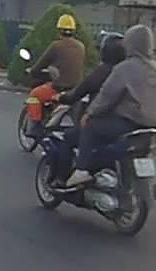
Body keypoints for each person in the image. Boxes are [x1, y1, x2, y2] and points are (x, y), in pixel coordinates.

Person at [64, 24, 156, 188]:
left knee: (90, 126)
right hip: (151, 128)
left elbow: (107, 96)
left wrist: (90, 113)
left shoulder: (125, 68)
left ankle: (81, 170)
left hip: (130, 124)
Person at [51, 33, 126, 183]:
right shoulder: (130, 71)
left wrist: (61, 97)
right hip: (128, 127)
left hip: (104, 124)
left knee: (67, 138)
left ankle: (63, 179)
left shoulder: (103, 72)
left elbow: (79, 92)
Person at [24, 14, 86, 137]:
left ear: (59, 30)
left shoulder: (56, 46)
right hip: (76, 89)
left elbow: (42, 63)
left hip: (59, 88)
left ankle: (35, 127)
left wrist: (33, 72)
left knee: (34, 95)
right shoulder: (81, 46)